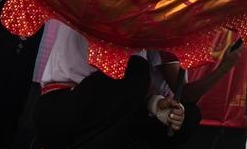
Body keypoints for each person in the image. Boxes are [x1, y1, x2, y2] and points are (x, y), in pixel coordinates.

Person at [33, 21, 182, 149]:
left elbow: (130, 88)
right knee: (136, 69)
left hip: (95, 117)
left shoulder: (138, 32)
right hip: (60, 109)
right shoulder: (85, 0)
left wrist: (155, 104)